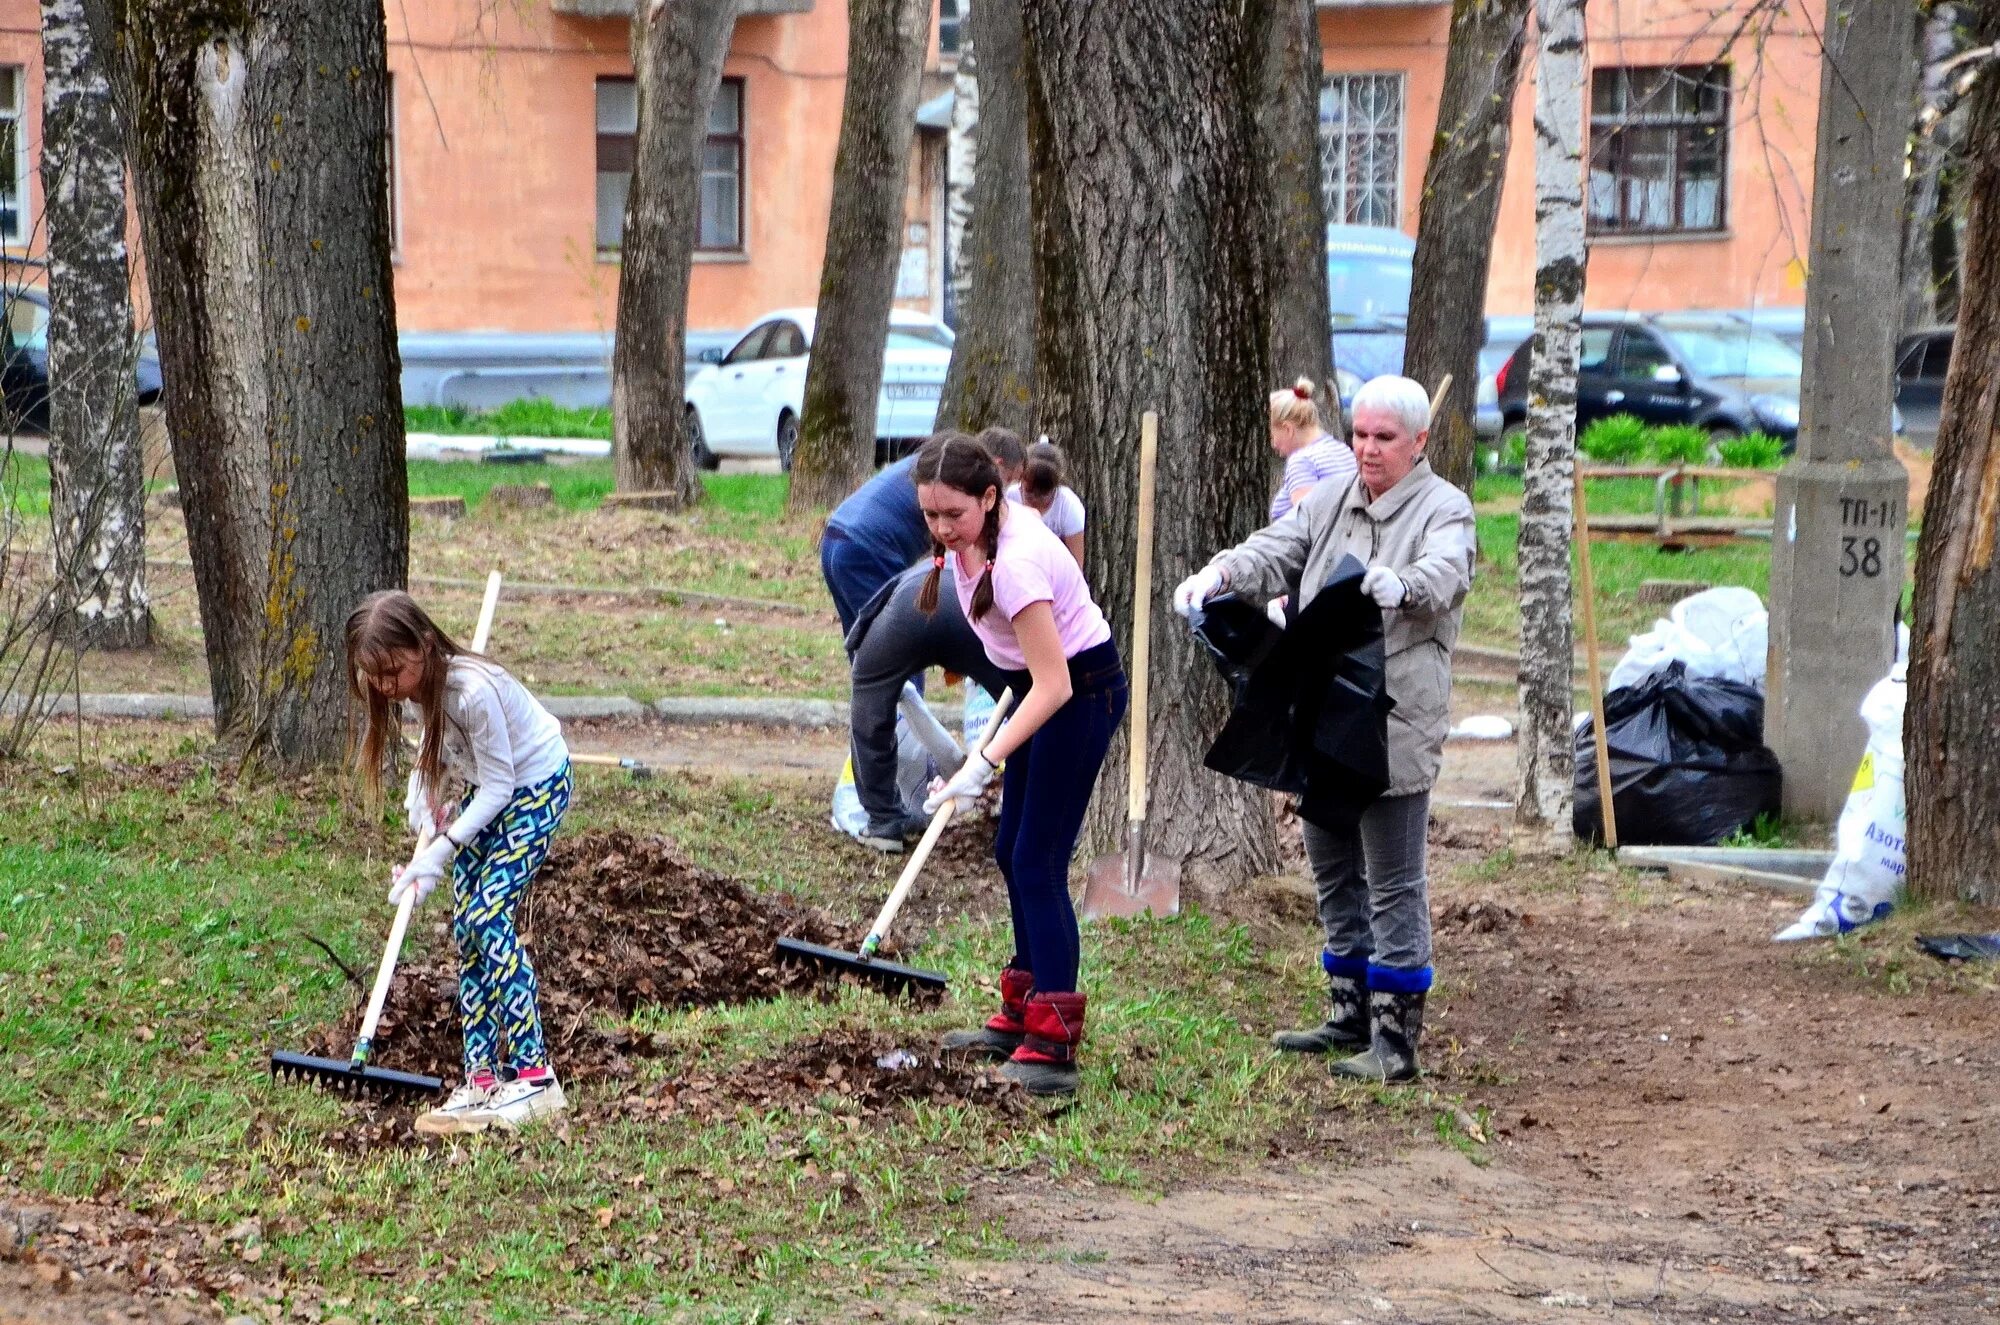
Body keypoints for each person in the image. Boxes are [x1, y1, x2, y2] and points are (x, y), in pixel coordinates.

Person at [1173, 375, 1473, 1084]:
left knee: (1394, 880)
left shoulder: (1443, 506)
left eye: (1384, 438)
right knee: (1332, 863)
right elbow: (1277, 547)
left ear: (1419, 441)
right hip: (1323, 708)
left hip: (1394, 718)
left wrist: (1402, 586)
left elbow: (1447, 571)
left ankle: (1396, 1042)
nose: (1367, 450)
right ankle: (1347, 1015)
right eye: (1360, 435)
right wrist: (1219, 574)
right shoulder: (1333, 497)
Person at [916, 432, 1127, 1097]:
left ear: (988, 496)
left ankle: (1054, 1042)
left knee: (1038, 860)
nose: (944, 528)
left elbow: (1056, 683)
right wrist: (981, 753)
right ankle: (1023, 1008)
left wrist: (983, 761)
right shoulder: (975, 538)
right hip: (1043, 692)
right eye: (931, 515)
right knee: (1013, 850)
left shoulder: (1017, 563)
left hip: (1080, 694)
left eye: (955, 513)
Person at [347, 591, 574, 1135]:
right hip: (489, 790)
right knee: (466, 930)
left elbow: (501, 787)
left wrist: (439, 853)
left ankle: (536, 1077)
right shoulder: (419, 690)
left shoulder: (472, 691)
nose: (385, 688)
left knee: (487, 917)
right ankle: (482, 1080)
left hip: (536, 786)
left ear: (425, 647)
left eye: (393, 672)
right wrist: (421, 787)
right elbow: (443, 748)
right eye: (374, 677)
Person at [844, 562, 1011, 851]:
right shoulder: (966, 567)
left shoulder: (909, 584)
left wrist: (868, 675)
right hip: (967, 616)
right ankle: (1031, 819)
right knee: (1022, 706)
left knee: (869, 707)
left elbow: (864, 630)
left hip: (904, 617)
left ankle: (884, 823)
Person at [822, 436, 1026, 633]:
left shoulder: (935, 459)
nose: (1005, 491)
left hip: (835, 536)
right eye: (1008, 481)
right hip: (867, 548)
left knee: (866, 649)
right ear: (997, 465)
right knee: (898, 645)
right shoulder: (952, 478)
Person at [1268, 377, 1357, 522]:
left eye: (1272, 437)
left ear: (1287, 429)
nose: (1273, 445)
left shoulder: (1301, 462)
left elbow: (1307, 522)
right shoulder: (1342, 450)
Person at [1007, 437, 1087, 566]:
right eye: (1029, 492)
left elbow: (1076, 564)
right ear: (1021, 480)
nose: (1035, 499)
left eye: (1043, 495)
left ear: (1056, 486)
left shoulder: (1069, 506)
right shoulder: (1009, 498)